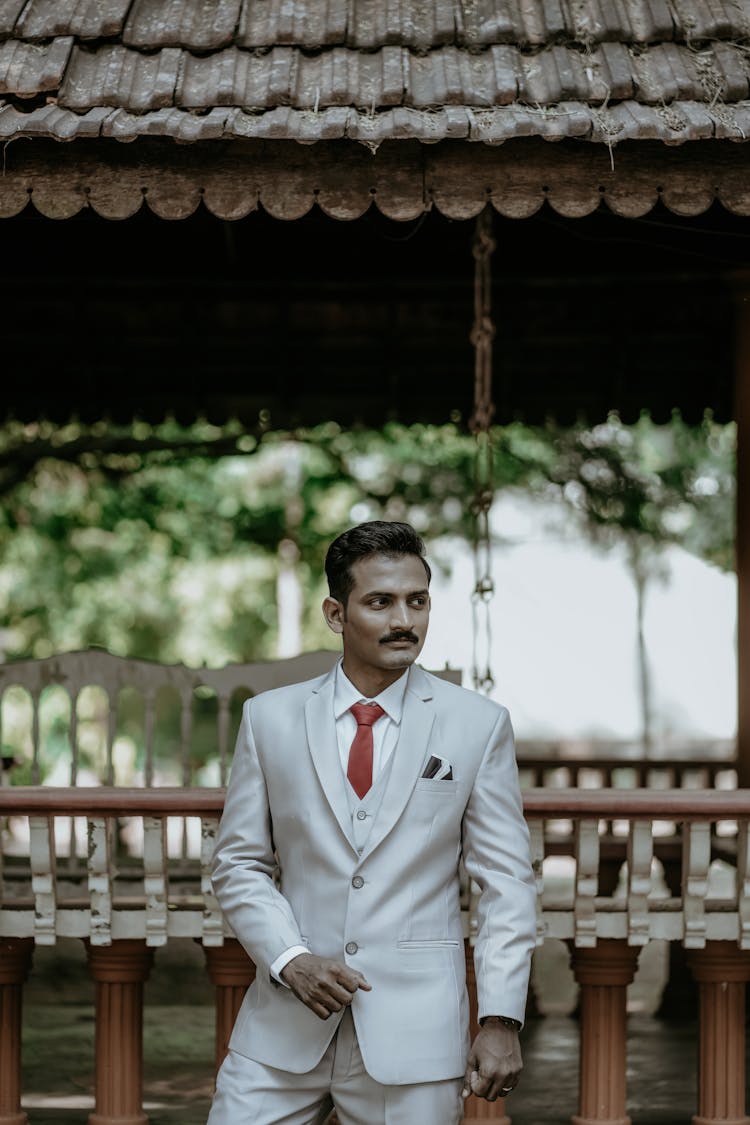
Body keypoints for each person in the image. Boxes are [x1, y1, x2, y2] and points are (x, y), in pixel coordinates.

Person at [207, 520, 536, 1125]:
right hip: (281, 1031)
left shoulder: (477, 724)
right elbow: (239, 862)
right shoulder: (269, 719)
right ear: (336, 614)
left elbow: (506, 883)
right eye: (380, 602)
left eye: (418, 600)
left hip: (415, 1036)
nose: (403, 620)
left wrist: (500, 1019)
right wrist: (290, 958)